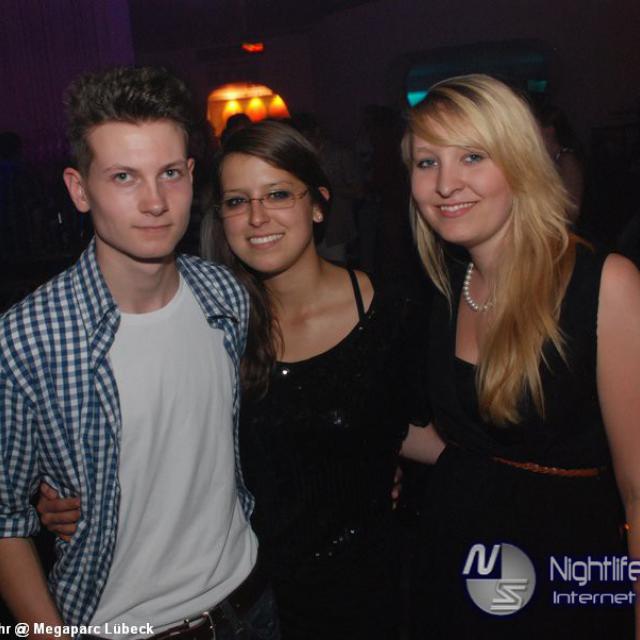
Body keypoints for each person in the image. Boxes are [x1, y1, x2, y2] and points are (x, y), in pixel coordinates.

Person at [39, 120, 432, 639]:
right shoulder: (216, 317)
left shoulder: (392, 312)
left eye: (278, 194)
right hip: (250, 598)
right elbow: (154, 428)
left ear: (318, 205)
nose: (257, 217)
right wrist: (62, 491)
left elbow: (415, 429)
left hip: (362, 594)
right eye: (237, 201)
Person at [0, 66, 278, 640]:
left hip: (249, 605)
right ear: (79, 189)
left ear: (191, 175)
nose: (155, 202)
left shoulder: (225, 296)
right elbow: (5, 519)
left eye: (169, 173)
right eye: (124, 177)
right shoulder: (28, 339)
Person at [402, 74, 640, 638]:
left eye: (472, 156)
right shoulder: (445, 289)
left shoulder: (603, 284)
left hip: (569, 569)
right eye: (427, 162)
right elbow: (463, 440)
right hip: (460, 561)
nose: (445, 184)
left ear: (521, 162)